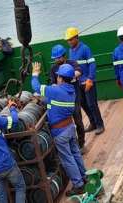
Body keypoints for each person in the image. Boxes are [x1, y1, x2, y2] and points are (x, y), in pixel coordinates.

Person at [32, 62, 86, 196]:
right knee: (75, 153)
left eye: (58, 77)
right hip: (70, 128)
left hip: (60, 132)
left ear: (61, 78)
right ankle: (85, 176)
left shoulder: (56, 90)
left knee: (68, 159)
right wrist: (41, 101)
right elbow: (55, 102)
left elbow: (36, 86)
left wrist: (35, 73)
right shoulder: (70, 91)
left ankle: (78, 185)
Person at [65, 27, 105, 135]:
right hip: (77, 83)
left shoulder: (85, 48)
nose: (69, 42)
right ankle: (93, 123)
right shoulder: (70, 51)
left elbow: (92, 64)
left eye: (71, 39)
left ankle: (100, 124)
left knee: (92, 104)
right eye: (68, 40)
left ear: (76, 38)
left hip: (87, 82)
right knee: (83, 104)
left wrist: (90, 79)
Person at [50, 44, 85, 149]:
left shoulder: (72, 63)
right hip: (62, 100)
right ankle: (72, 145)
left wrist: (68, 76)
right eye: (55, 58)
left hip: (74, 98)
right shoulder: (53, 68)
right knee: (66, 124)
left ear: (63, 56)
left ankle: (81, 143)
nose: (56, 60)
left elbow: (79, 71)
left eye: (58, 57)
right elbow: (52, 83)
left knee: (78, 121)